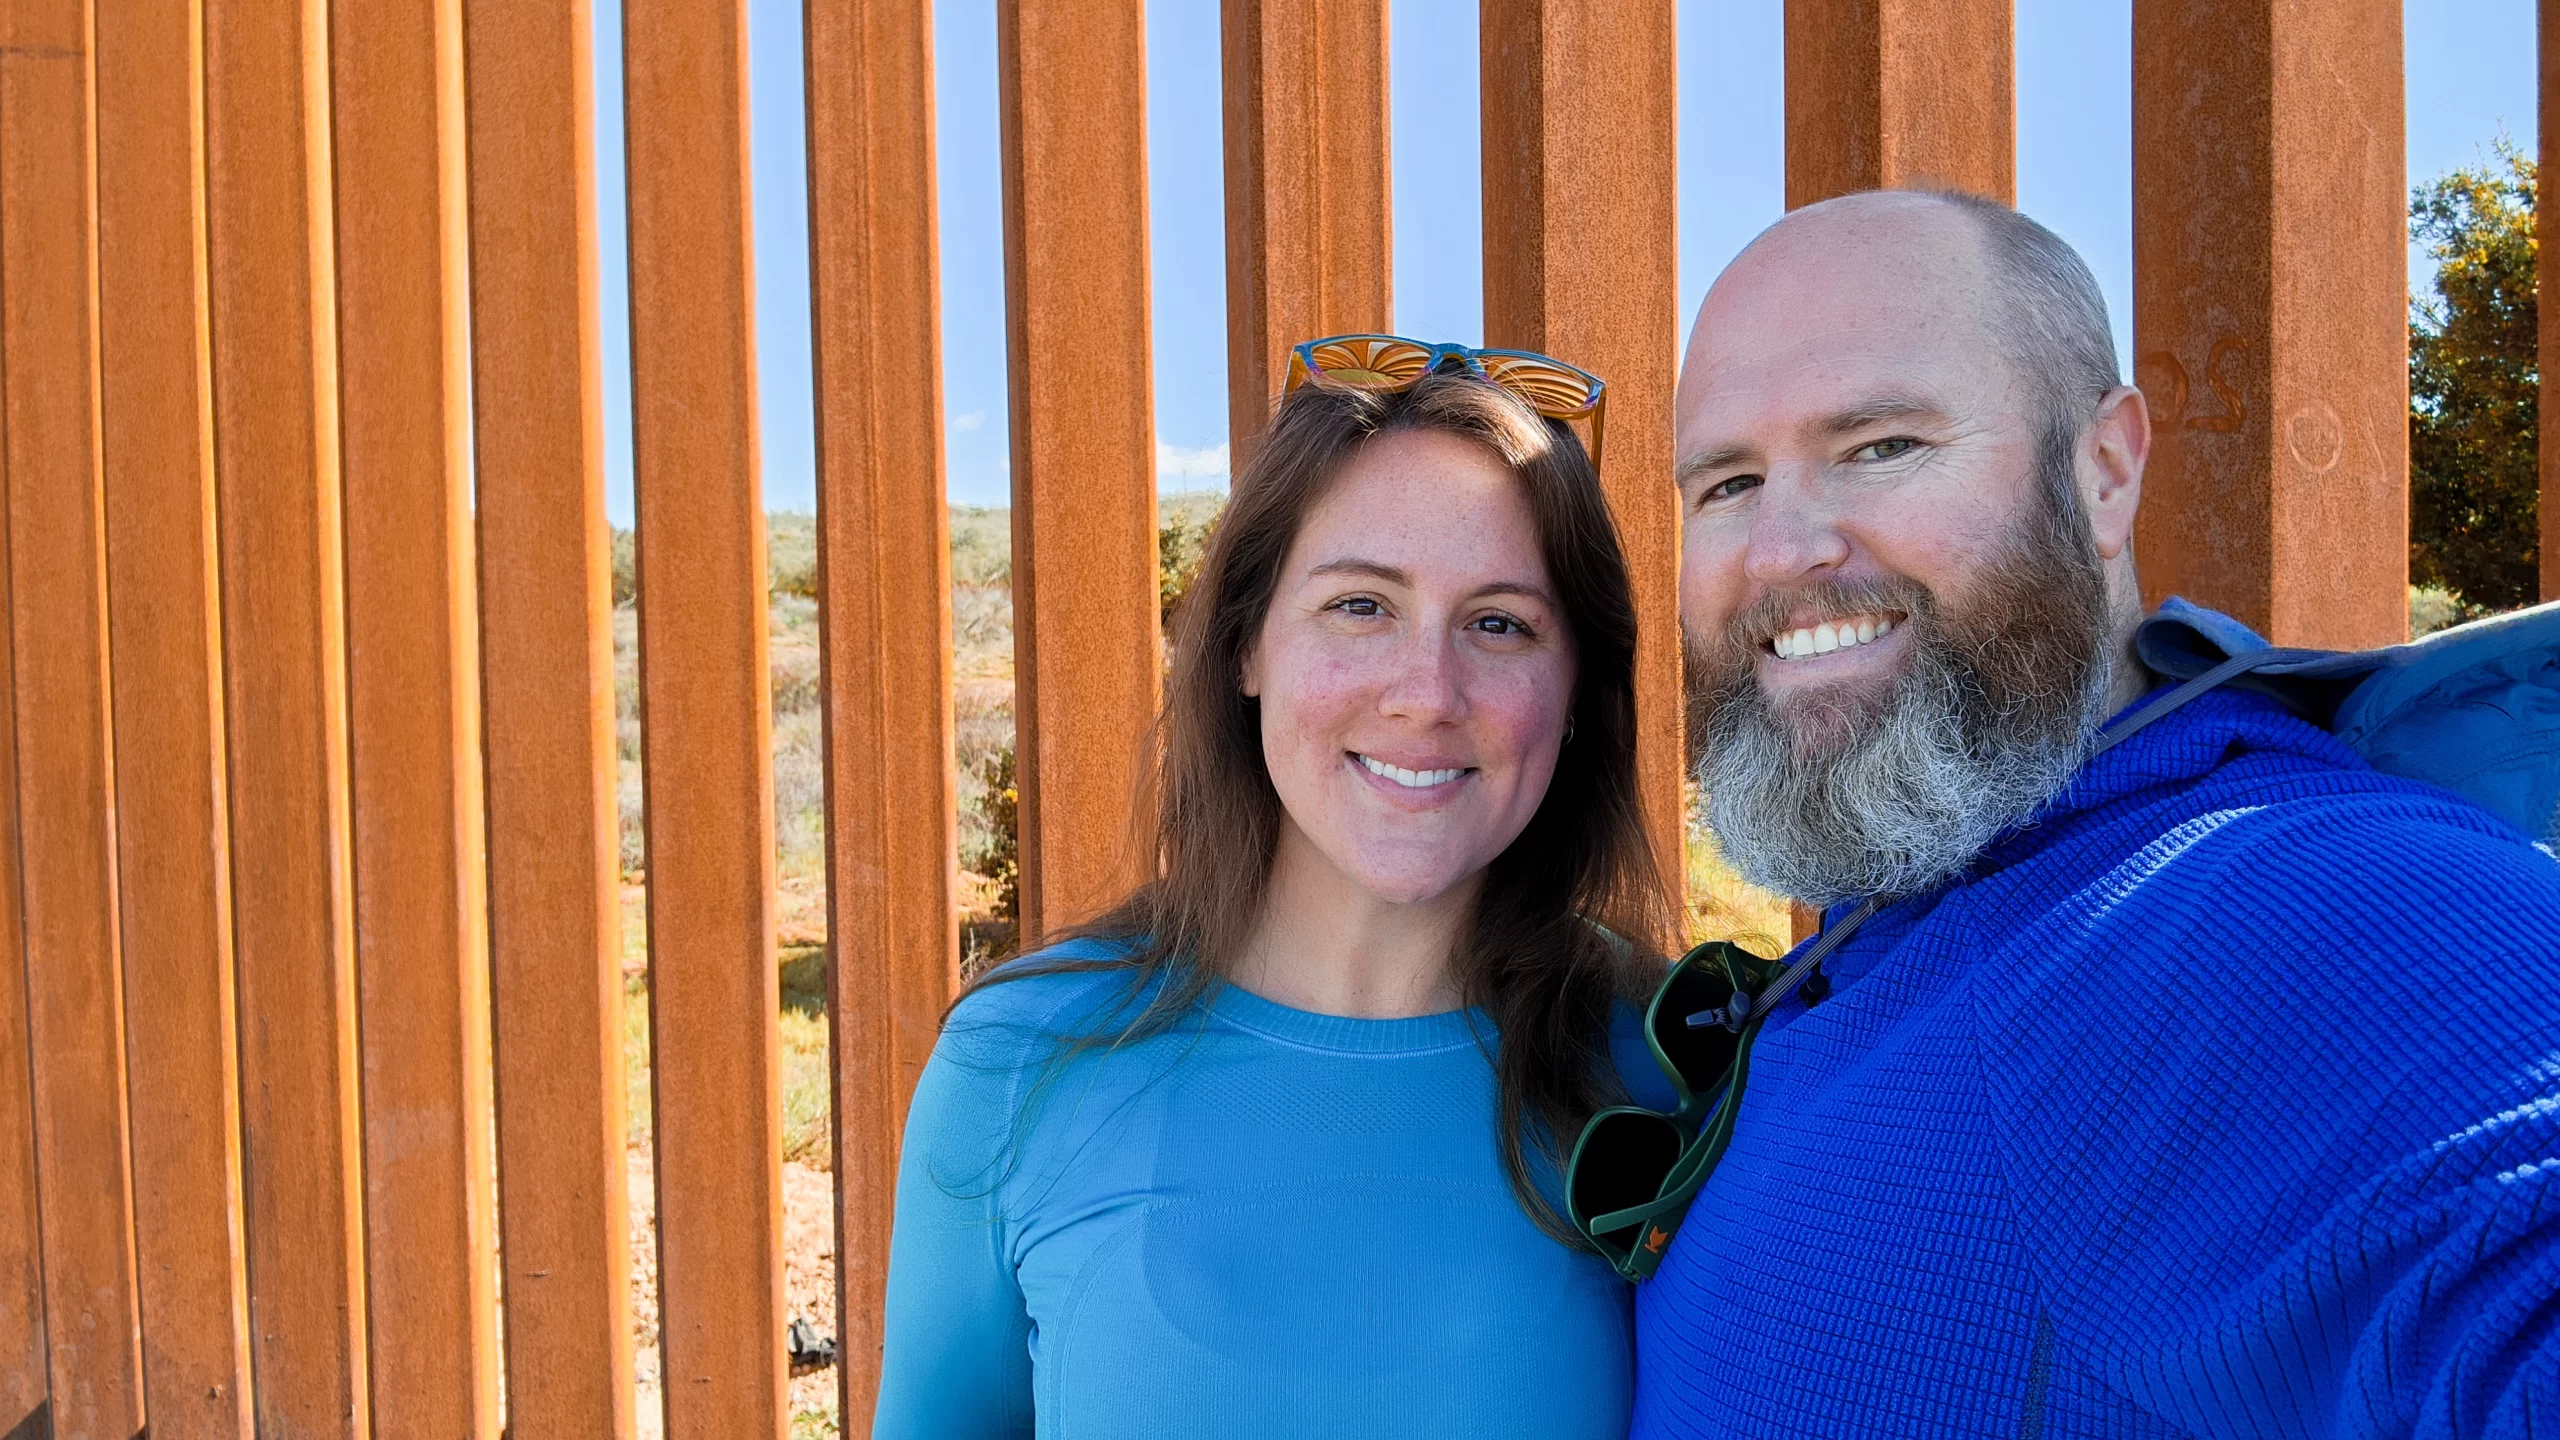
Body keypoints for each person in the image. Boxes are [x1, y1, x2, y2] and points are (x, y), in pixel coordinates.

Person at [1634, 190, 2560, 1436]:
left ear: (2105, 468)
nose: (1781, 549)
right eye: (1728, 483)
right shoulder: (1949, 870)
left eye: (1882, 446)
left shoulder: (2291, 898)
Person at [872, 341, 1684, 1436]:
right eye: (1361, 606)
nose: (1426, 694)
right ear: (1245, 647)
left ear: (1577, 690)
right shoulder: (1021, 1062)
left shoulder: (1667, 1076)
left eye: (1499, 623)